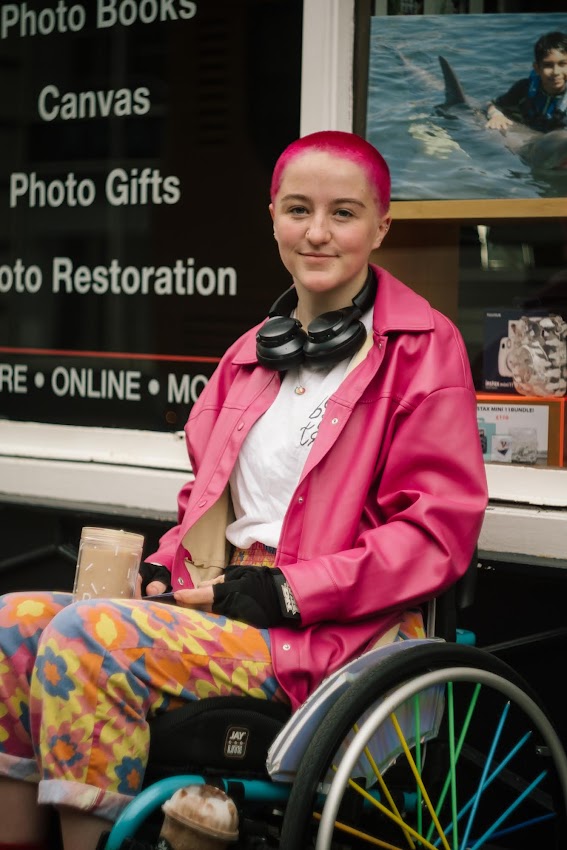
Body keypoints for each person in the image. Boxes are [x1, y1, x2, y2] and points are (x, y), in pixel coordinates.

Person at [0, 130, 488, 850]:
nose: (316, 233)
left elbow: (436, 535)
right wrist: (167, 567)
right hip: (220, 606)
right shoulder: (252, 352)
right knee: (12, 624)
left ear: (381, 225)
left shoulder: (424, 348)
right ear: (272, 217)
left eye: (343, 214)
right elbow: (209, 501)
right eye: (297, 210)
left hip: (330, 636)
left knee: (85, 635)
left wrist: (288, 591)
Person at [486, 31, 567, 133]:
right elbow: (492, 105)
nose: (556, 72)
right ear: (537, 68)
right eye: (548, 65)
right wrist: (496, 115)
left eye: (563, 64)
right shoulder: (524, 88)